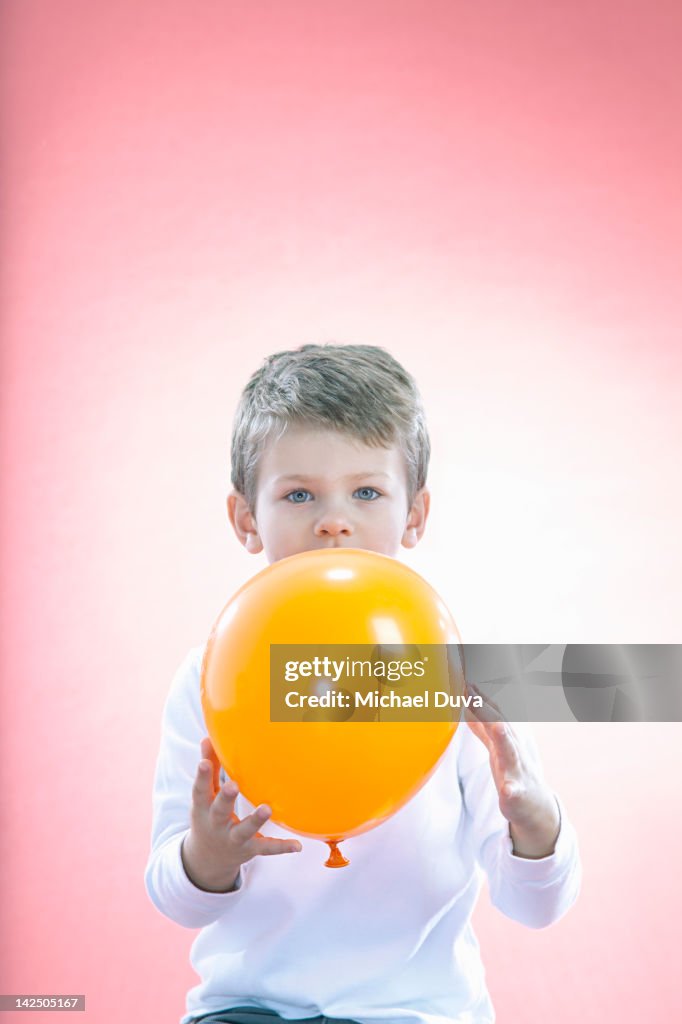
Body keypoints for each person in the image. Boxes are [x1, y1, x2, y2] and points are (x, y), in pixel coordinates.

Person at [145, 344, 581, 1024]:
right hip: (248, 1009)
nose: (334, 520)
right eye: (298, 494)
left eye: (367, 492)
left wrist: (535, 825)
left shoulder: (459, 676)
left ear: (415, 514)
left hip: (420, 1014)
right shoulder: (211, 680)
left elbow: (535, 906)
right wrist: (206, 857)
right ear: (245, 518)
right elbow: (176, 900)